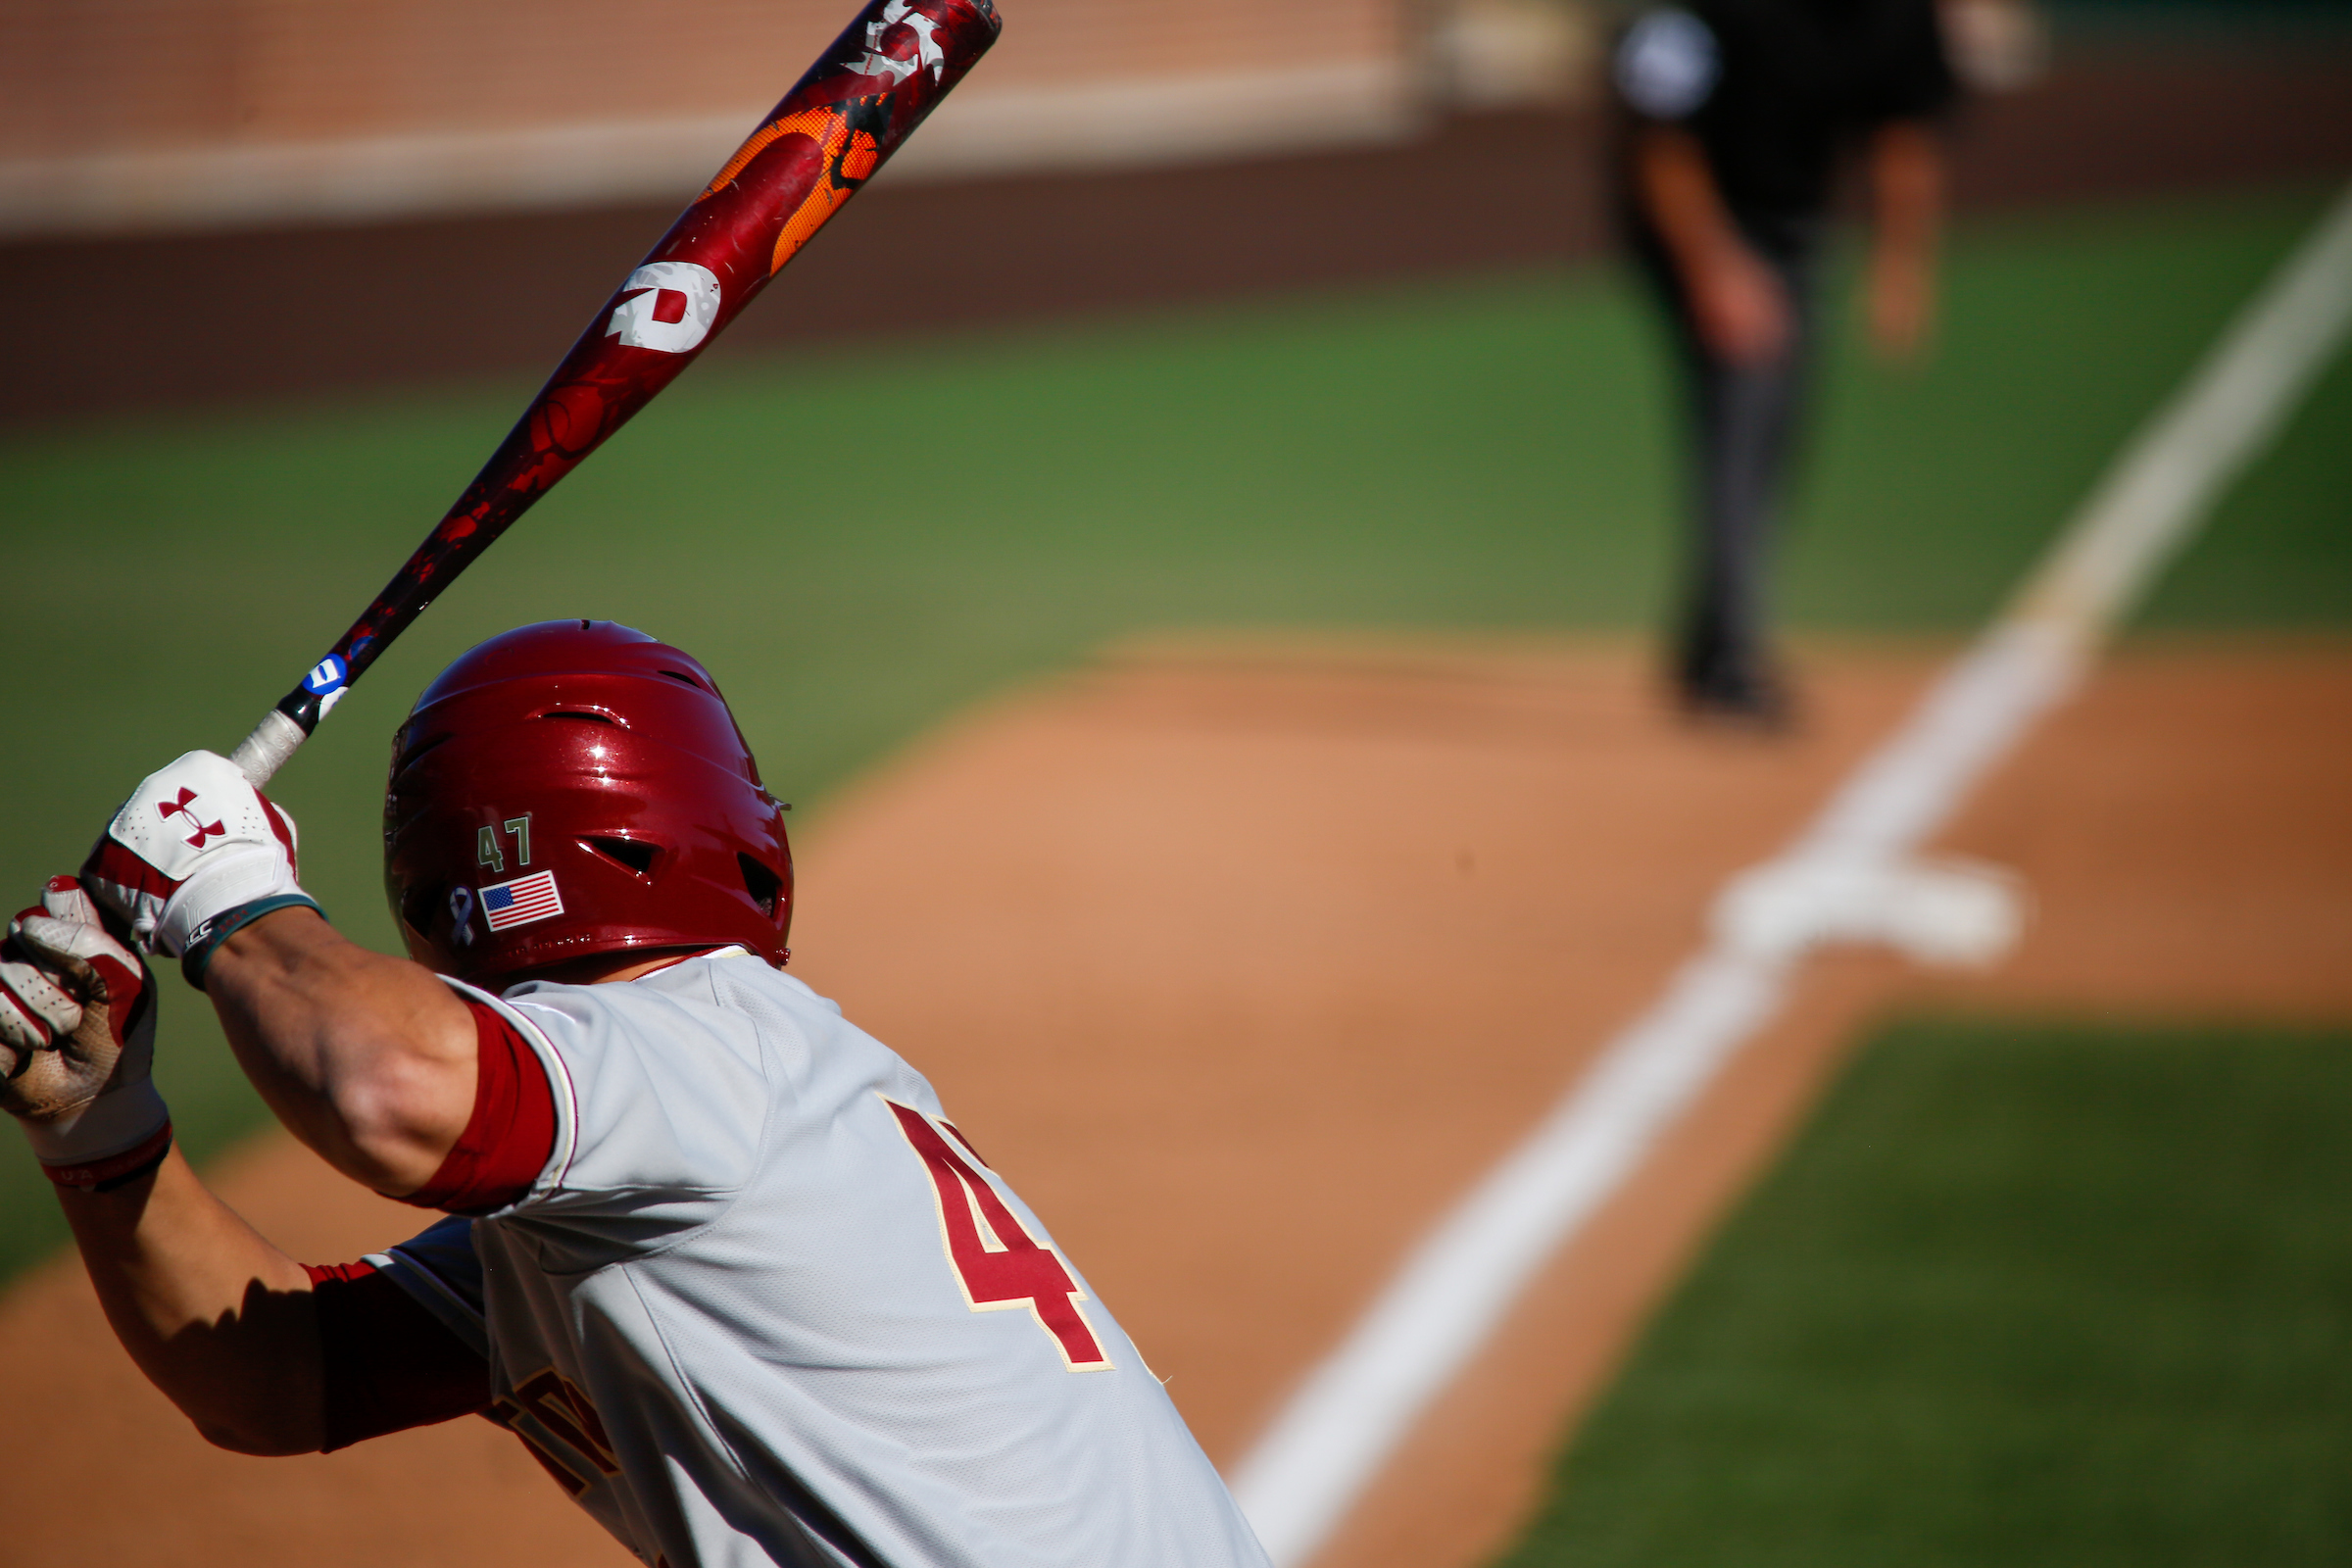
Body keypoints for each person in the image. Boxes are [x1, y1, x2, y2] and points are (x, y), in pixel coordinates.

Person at [0, 619, 1270, 1568]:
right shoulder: (652, 1134)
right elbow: (282, 1377)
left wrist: (223, 891)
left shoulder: (696, 1051)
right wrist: (99, 1128)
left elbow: (390, 1092)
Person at [1612, 0, 1956, 724]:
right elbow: (1660, 142)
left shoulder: (1892, 15)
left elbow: (1904, 130)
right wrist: (1715, 268)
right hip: (1691, 220)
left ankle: (1710, 644)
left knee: (1777, 425)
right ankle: (1732, 658)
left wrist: (1902, 267)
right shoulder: (1708, 9)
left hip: (1797, 221)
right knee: (1744, 408)